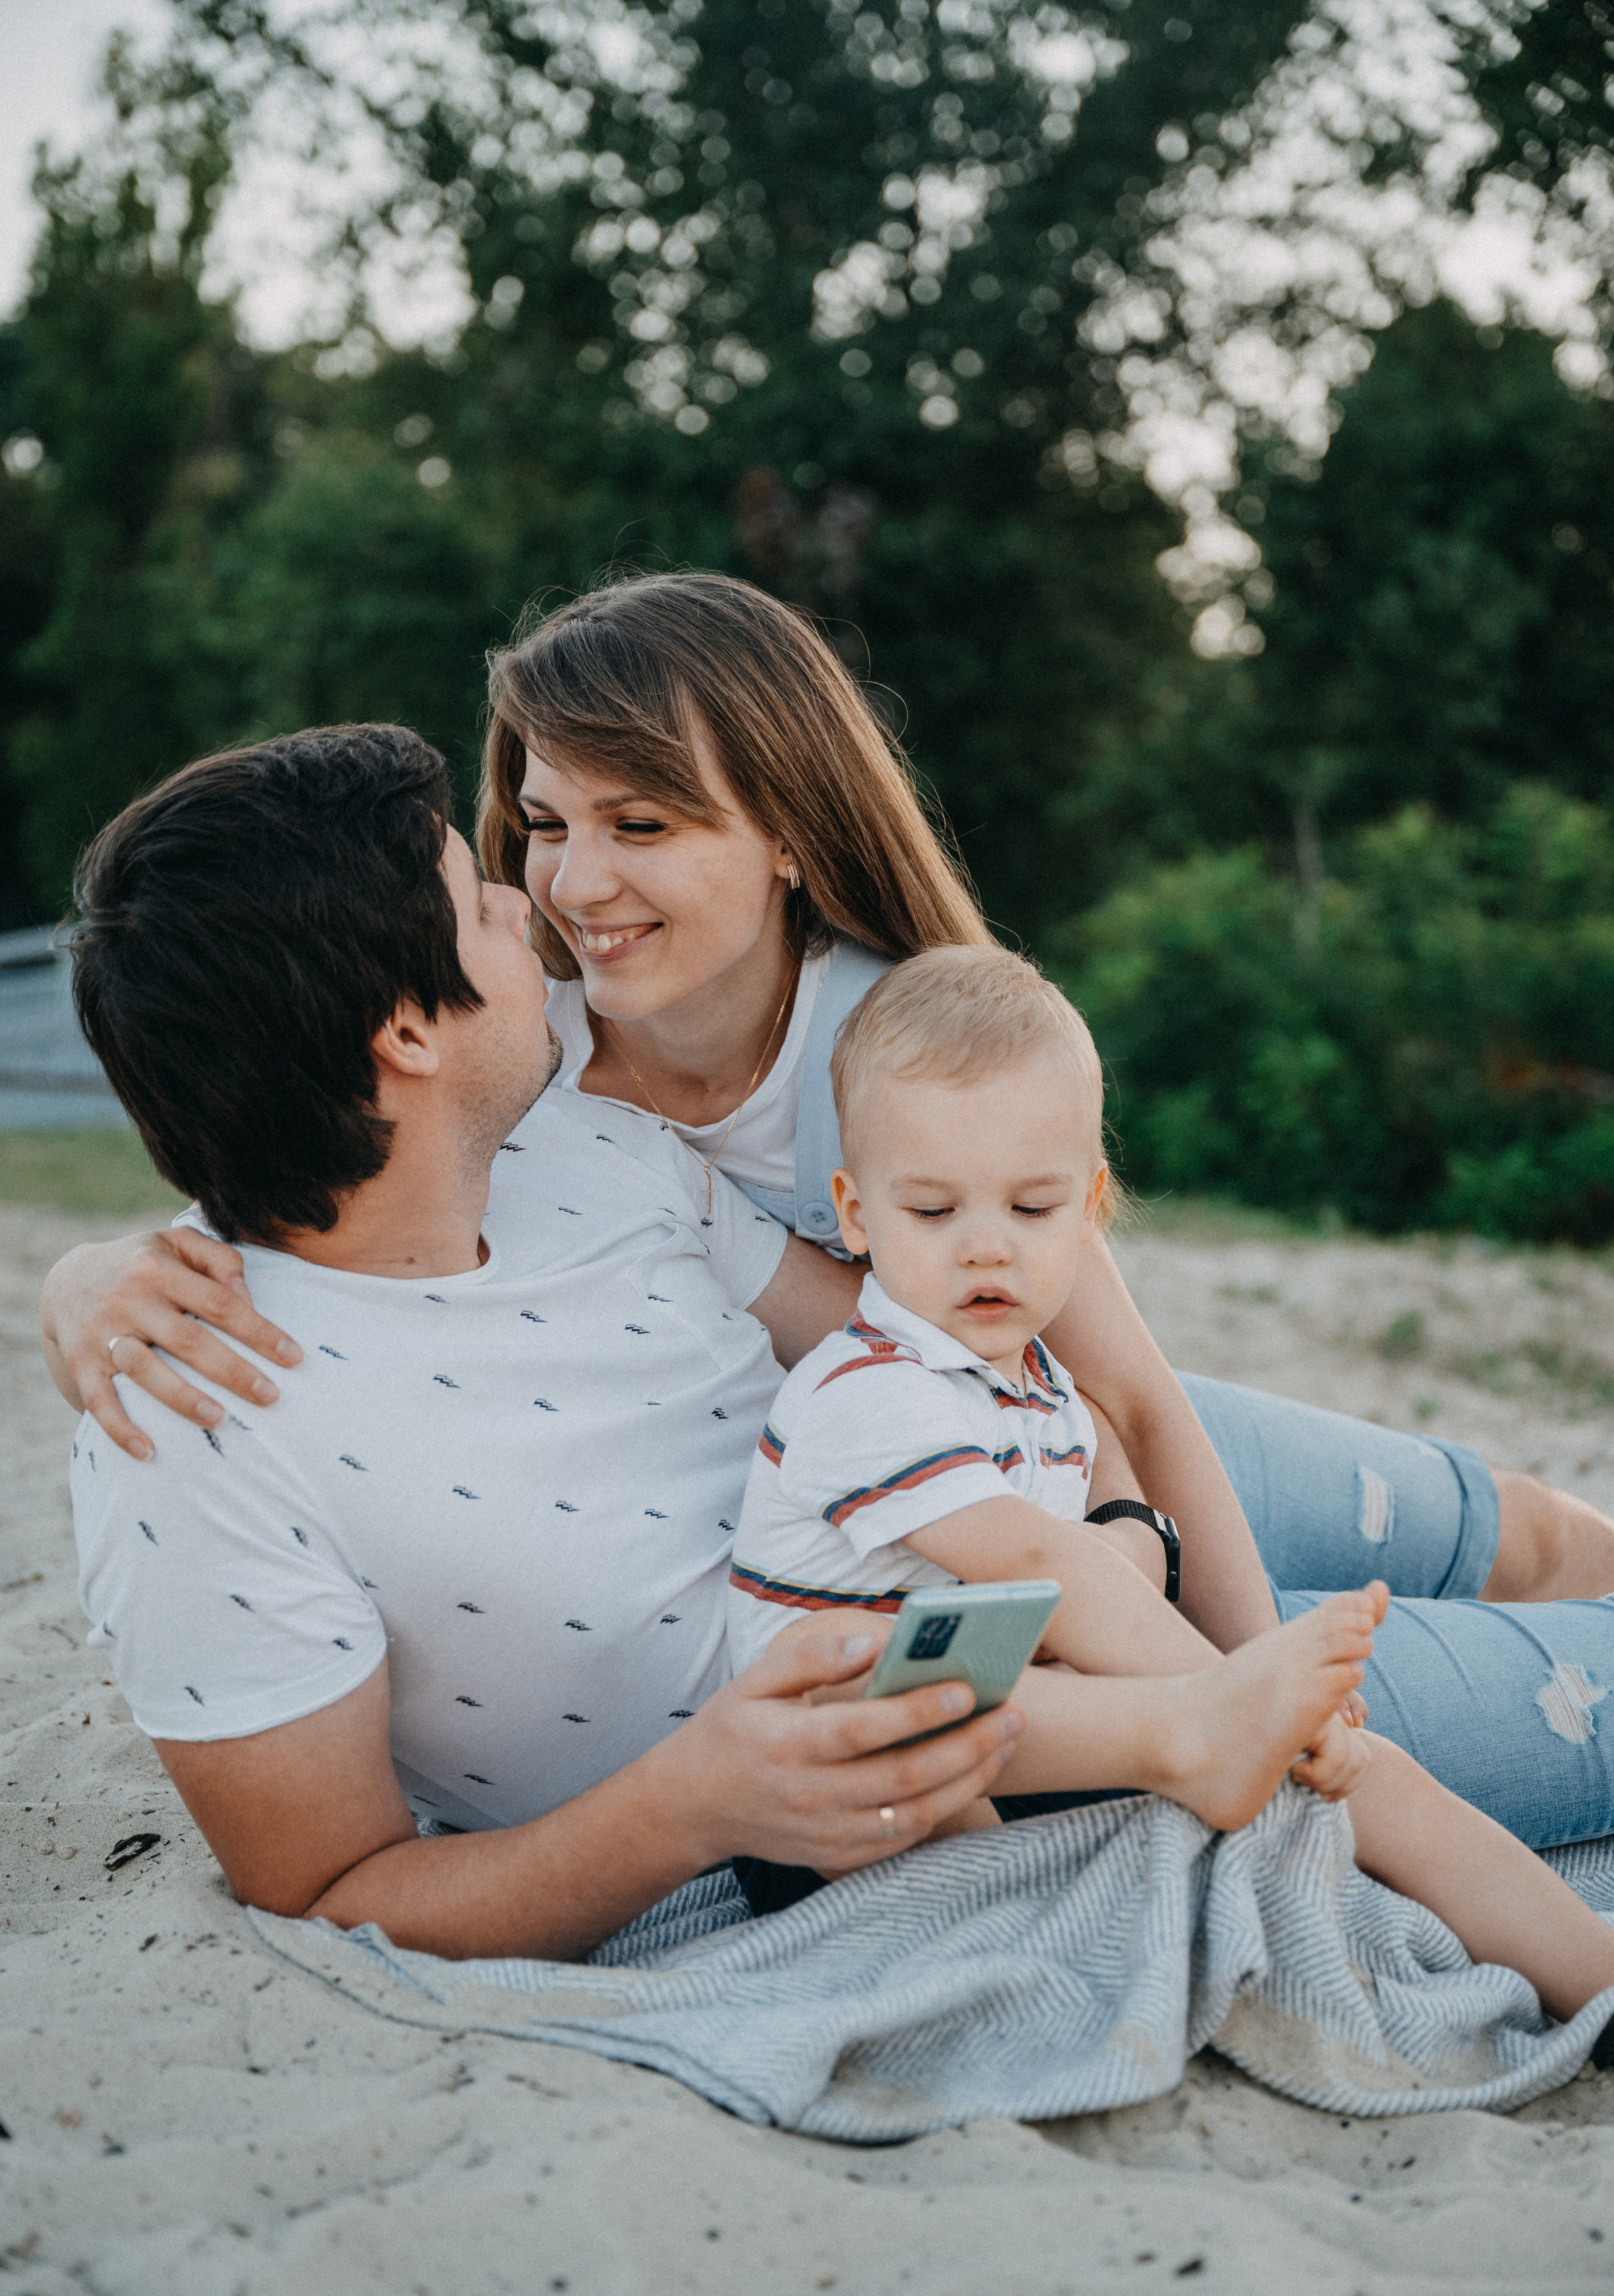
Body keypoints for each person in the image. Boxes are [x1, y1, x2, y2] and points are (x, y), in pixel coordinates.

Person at [39, 574, 1614, 1852]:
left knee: (1518, 1529)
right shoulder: (536, 1059)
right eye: (533, 831)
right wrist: (96, 1269)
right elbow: (310, 1138)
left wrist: (1197, 1628)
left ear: (786, 836)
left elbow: (1120, 1385)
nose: (564, 890)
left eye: (640, 825)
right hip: (908, 1535)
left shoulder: (876, 1041)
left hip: (1059, 1437)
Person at [59, 722, 1390, 1961]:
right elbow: (326, 1889)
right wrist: (684, 1811)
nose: (529, 902)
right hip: (973, 1708)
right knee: (1564, 1700)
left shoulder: (582, 1142)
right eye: (479, 897)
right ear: (405, 1028)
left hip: (1044, 1503)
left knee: (1506, 1532)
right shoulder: (187, 1418)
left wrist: (1119, 1536)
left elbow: (945, 1352)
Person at [727, 946, 1614, 2034]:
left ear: (1091, 1208)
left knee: (1368, 1773)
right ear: (856, 1215)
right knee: (1246, 1742)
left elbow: (1094, 1566)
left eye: (1033, 1207)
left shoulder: (1040, 1389)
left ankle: (1595, 1972)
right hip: (829, 1784)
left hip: (998, 1715)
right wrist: (1235, 1686)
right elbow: (1042, 1565)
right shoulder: (868, 1391)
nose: (986, 1248)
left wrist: (1202, 1642)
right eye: (934, 1211)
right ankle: (1024, 1939)